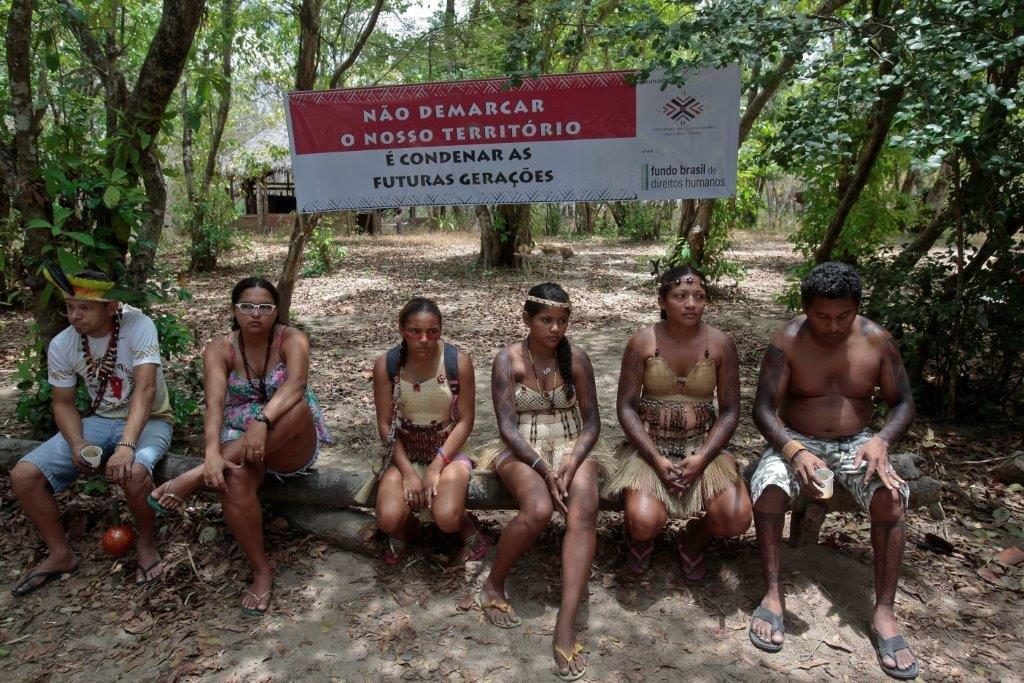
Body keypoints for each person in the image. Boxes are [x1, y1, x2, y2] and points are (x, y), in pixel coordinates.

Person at [747, 262, 918, 680]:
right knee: (769, 488)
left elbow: (903, 403)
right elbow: (763, 409)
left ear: (857, 308)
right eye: (822, 316)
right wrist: (791, 450)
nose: (833, 325)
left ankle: (883, 612)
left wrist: (882, 441)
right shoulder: (787, 341)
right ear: (806, 309)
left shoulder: (878, 341)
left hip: (858, 440)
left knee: (891, 497)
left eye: (843, 316)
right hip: (796, 437)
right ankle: (772, 594)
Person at [148, 277, 331, 617]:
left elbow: (296, 385)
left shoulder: (292, 339)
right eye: (247, 307)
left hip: (289, 437)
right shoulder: (220, 348)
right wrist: (212, 452)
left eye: (265, 307)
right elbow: (215, 404)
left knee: (298, 407)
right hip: (239, 438)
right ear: (234, 310)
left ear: (277, 311)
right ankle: (262, 570)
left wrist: (262, 422)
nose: (256, 314)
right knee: (232, 483)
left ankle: (192, 478)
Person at [475, 283, 612, 682]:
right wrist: (543, 466)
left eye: (562, 321)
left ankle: (566, 622)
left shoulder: (579, 359)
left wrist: (571, 462)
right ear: (527, 319)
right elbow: (505, 427)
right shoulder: (508, 361)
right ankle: (494, 584)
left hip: (573, 446)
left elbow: (592, 423)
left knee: (584, 510)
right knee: (537, 508)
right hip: (522, 449)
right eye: (546, 320)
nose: (555, 329)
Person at [10, 267, 173, 595]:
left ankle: (146, 542)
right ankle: (60, 554)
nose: (75, 315)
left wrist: (127, 445)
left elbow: (144, 389)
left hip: (151, 418)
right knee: (23, 475)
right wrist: (76, 441)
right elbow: (63, 403)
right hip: (100, 419)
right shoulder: (63, 344)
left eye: (85, 308)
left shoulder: (138, 325)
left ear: (111, 308)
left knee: (136, 471)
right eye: (70, 307)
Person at [603, 266, 751, 578]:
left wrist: (703, 457)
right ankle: (641, 539)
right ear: (662, 301)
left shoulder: (722, 345)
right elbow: (626, 407)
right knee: (643, 523)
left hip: (702, 447)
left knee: (736, 519)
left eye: (699, 297)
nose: (691, 304)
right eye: (680, 296)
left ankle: (694, 537)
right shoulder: (641, 343)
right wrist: (654, 458)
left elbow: (729, 411)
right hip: (650, 449)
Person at [363, 297, 488, 565]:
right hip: (403, 451)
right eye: (414, 331)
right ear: (401, 330)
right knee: (387, 518)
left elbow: (466, 420)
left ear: (441, 331)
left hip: (449, 451)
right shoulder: (387, 364)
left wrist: (436, 467)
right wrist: (408, 472)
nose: (424, 339)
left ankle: (464, 522)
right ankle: (406, 525)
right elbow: (385, 424)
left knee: (446, 516)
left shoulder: (458, 362)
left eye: (432, 332)